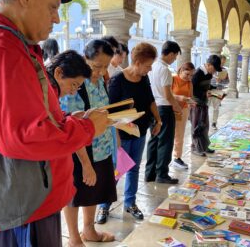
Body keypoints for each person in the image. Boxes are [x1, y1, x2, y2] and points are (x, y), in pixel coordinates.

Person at [0, 0, 111, 246]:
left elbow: (27, 119)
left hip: (28, 197)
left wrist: (73, 122)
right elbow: (22, 137)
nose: (57, 18)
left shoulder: (6, 41)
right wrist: (87, 129)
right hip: (24, 204)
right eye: (53, 7)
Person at [60, 40, 118, 245]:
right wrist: (85, 164)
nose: (101, 71)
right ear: (86, 60)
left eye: (105, 66)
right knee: (74, 193)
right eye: (96, 66)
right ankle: (74, 237)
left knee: (94, 191)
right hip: (80, 151)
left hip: (101, 147)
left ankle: (89, 230)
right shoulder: (75, 84)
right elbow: (71, 126)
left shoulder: (101, 81)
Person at [97, 42, 161, 224]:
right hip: (121, 133)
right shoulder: (118, 80)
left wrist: (159, 120)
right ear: (138, 62)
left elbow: (150, 100)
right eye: (148, 65)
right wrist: (115, 136)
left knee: (134, 168)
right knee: (116, 170)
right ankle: (104, 205)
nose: (149, 70)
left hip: (140, 131)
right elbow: (109, 111)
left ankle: (130, 203)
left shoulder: (143, 79)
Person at [146, 41, 182, 184]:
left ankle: (150, 173)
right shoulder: (165, 69)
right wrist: (177, 106)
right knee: (165, 142)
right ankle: (162, 174)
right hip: (164, 108)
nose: (174, 60)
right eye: (174, 57)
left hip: (153, 106)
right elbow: (167, 95)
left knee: (154, 140)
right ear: (171, 54)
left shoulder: (152, 66)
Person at [190, 55, 222, 157]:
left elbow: (206, 86)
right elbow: (192, 89)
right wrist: (204, 93)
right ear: (208, 65)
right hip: (196, 103)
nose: (214, 72)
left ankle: (204, 146)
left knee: (204, 125)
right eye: (214, 69)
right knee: (196, 126)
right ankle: (195, 147)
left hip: (204, 103)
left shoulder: (208, 73)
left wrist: (215, 88)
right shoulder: (197, 73)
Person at [171, 62, 195, 169]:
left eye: (191, 75)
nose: (189, 77)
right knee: (167, 135)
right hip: (170, 109)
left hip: (183, 110)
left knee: (179, 135)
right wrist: (179, 98)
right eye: (187, 74)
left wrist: (191, 102)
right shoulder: (173, 79)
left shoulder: (190, 83)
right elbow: (167, 94)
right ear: (181, 71)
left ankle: (177, 157)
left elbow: (190, 97)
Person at [209, 55, 229, 130]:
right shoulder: (212, 68)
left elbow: (227, 81)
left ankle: (214, 123)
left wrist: (222, 80)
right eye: (221, 62)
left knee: (216, 108)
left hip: (218, 90)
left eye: (224, 62)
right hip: (209, 90)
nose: (222, 64)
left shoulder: (225, 70)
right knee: (206, 106)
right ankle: (204, 122)